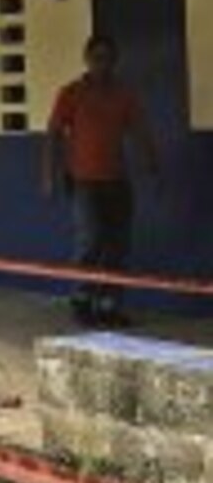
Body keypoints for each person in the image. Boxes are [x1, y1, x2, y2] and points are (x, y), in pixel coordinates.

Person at [43, 34, 160, 326]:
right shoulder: (71, 93)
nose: (102, 64)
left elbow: (140, 132)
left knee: (118, 245)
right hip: (85, 182)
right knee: (91, 240)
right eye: (97, 58)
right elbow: (53, 135)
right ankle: (82, 300)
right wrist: (48, 175)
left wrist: (152, 167)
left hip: (117, 181)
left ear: (115, 61)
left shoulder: (124, 94)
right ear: (87, 59)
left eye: (108, 58)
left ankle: (109, 305)